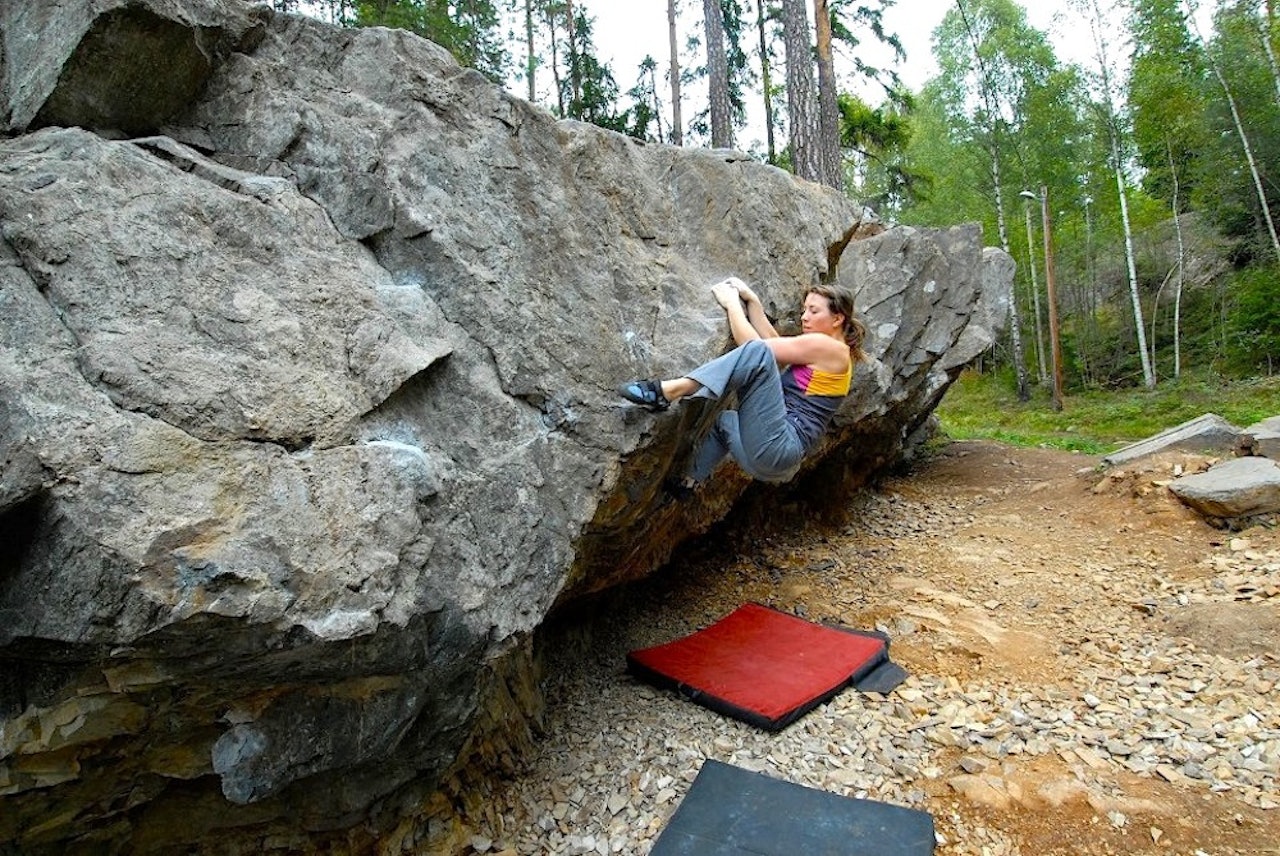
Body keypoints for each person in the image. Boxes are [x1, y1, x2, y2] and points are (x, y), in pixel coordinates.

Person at [619, 277, 868, 491]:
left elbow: (756, 350)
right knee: (725, 421)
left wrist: (731, 305)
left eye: (814, 311)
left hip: (778, 445)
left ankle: (669, 391)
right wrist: (753, 302)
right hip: (773, 464)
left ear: (837, 319)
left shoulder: (830, 347)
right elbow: (774, 344)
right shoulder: (833, 351)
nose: (804, 317)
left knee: (758, 355)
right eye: (804, 310)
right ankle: (688, 483)